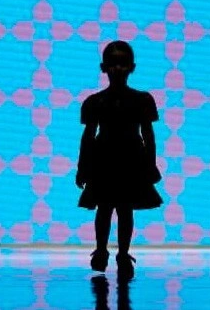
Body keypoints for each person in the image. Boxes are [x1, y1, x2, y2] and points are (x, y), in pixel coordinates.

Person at [76, 40, 163, 280]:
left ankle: (122, 253)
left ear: (131, 67)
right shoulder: (95, 102)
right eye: (113, 64)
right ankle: (102, 250)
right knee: (105, 208)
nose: (117, 69)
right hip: (104, 160)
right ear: (104, 67)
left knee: (124, 209)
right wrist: (83, 167)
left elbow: (149, 135)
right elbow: (88, 136)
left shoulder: (142, 100)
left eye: (122, 64)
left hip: (130, 159)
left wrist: (150, 164)